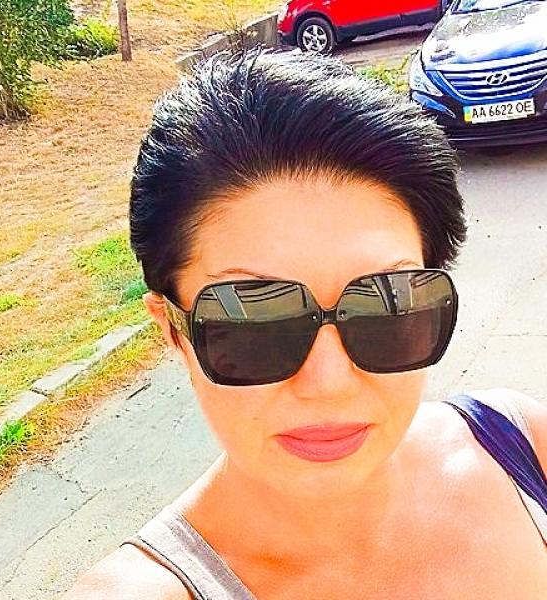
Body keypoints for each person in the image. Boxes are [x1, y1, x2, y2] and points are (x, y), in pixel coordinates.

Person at [64, 49, 547, 599]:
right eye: (256, 321)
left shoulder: (523, 445)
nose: (329, 383)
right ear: (173, 330)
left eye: (386, 304)